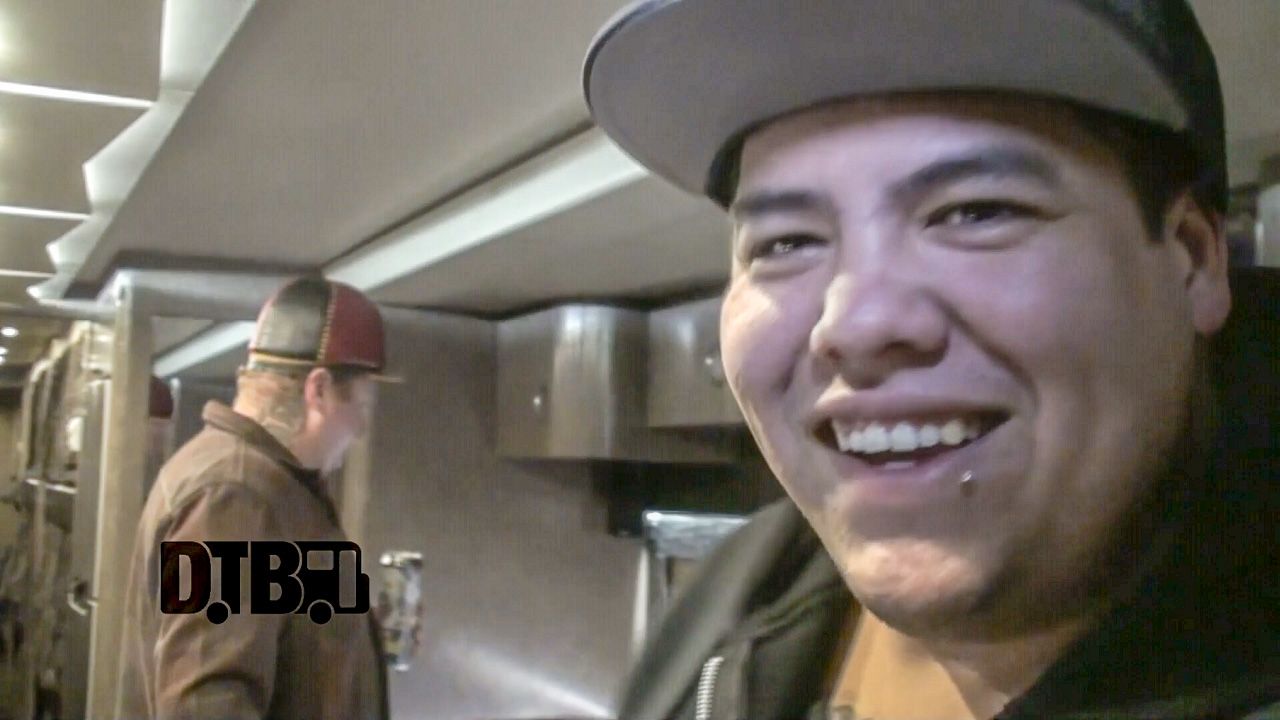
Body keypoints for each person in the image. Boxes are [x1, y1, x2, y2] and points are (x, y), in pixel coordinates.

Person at [583, 2, 1280, 718]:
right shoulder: (736, 598)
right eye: (785, 243)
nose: (853, 325)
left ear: (1192, 261)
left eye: (977, 212)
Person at [116, 276, 393, 720]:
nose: (360, 428)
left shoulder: (265, 486)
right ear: (319, 390)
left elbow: (271, 625)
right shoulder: (234, 497)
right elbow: (206, 706)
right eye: (360, 405)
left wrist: (354, 634)